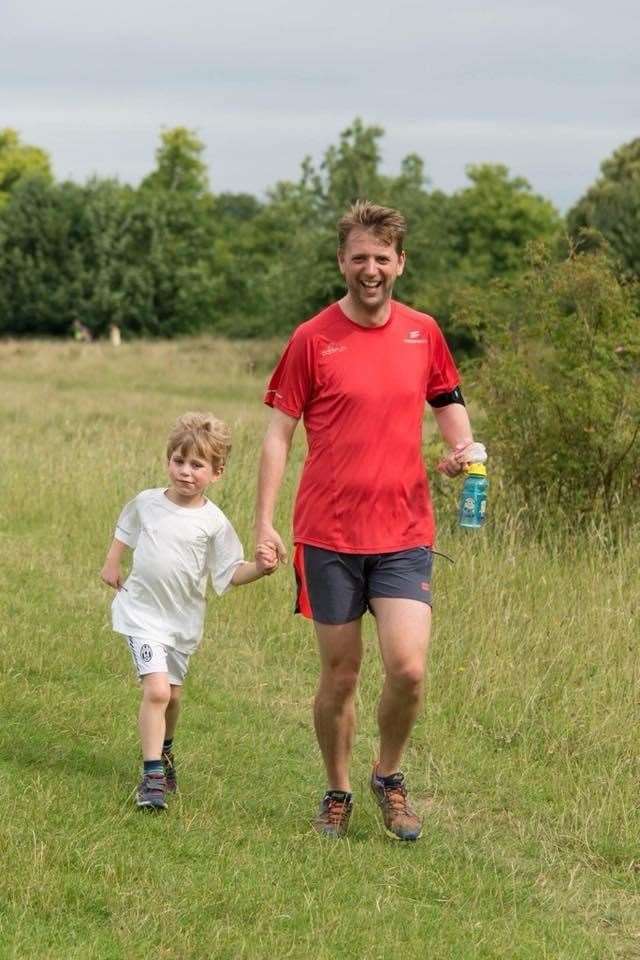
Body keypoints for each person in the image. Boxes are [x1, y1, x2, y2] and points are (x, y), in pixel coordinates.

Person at [254, 200, 477, 841]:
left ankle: (389, 775)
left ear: (400, 263)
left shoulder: (423, 332)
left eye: (382, 258)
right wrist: (265, 521)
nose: (370, 269)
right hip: (328, 534)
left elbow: (448, 402)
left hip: (405, 530)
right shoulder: (312, 338)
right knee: (341, 673)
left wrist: (460, 453)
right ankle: (338, 788)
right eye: (360, 258)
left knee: (408, 668)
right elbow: (278, 436)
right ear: (341, 262)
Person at [101, 412, 278, 811]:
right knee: (157, 690)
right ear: (168, 461)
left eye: (196, 465)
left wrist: (261, 569)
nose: (185, 472)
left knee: (174, 697)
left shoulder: (214, 524)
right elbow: (125, 527)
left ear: (216, 473)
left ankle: (164, 751)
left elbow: (230, 572)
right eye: (178, 461)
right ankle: (151, 778)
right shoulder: (148, 503)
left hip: (181, 623)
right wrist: (113, 562)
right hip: (141, 615)